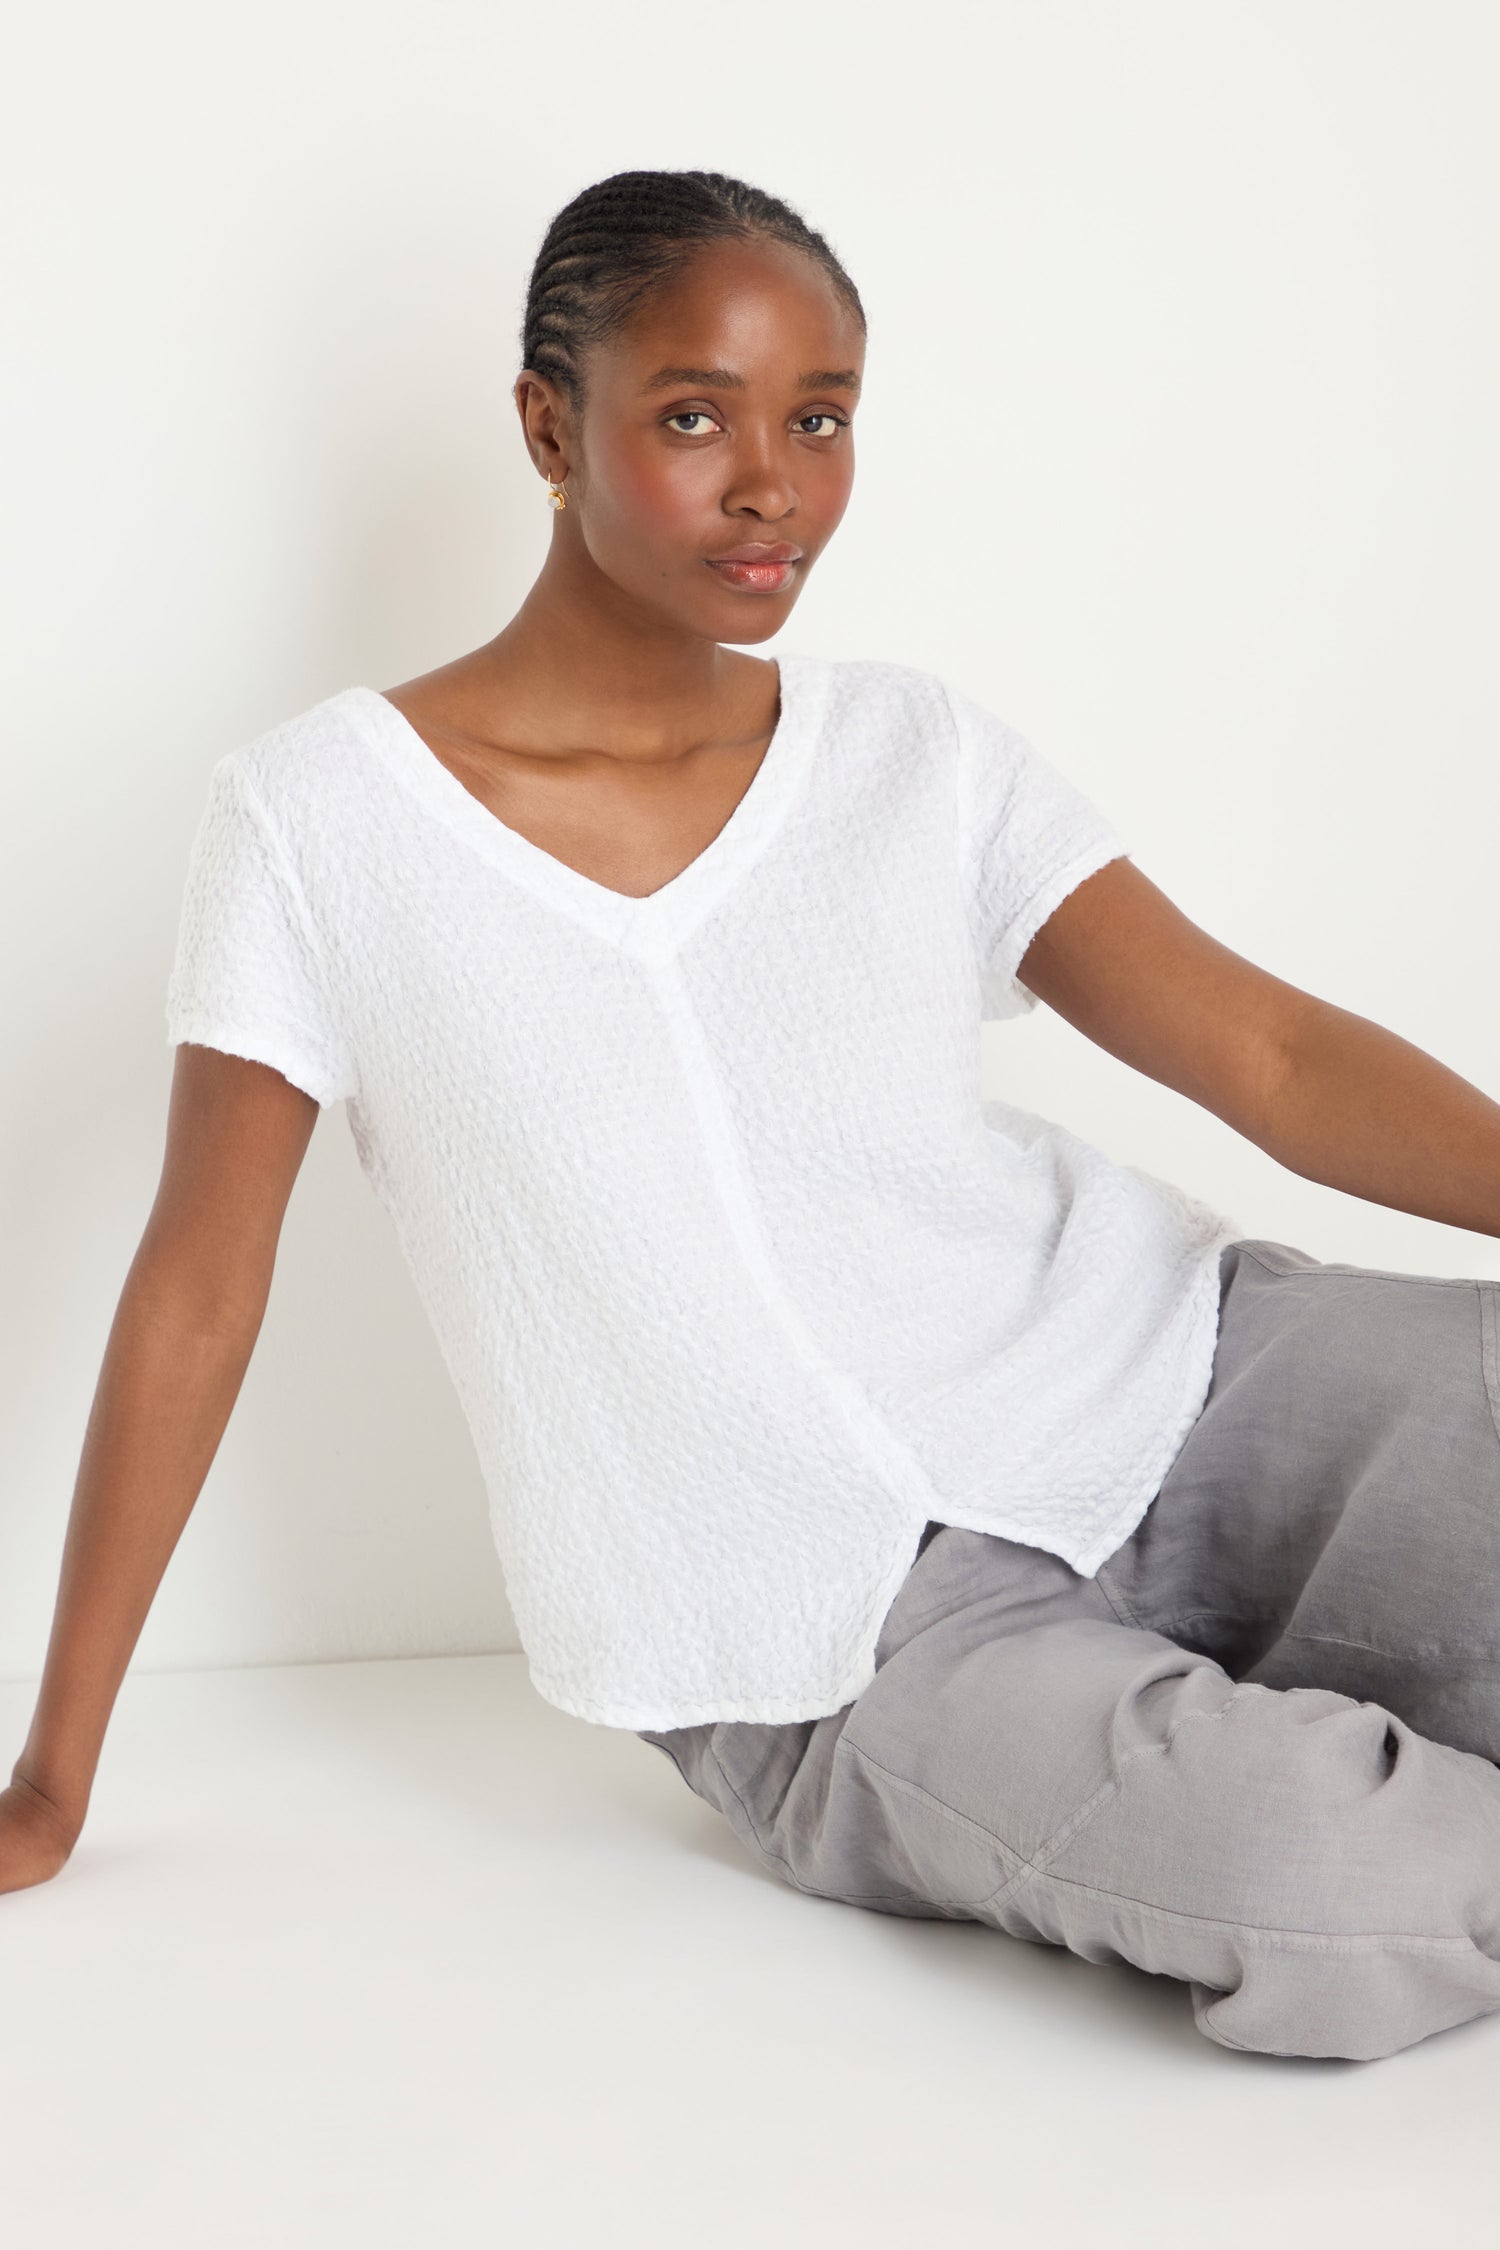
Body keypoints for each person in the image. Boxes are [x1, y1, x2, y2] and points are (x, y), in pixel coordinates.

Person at [5, 168, 1500, 2065]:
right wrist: (55, 1775)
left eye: (822, 416)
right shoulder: (316, 823)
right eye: (696, 414)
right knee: (1319, 1876)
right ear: (552, 428)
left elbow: (1271, 1060)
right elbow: (199, 1289)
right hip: (828, 1631)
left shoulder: (914, 753)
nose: (771, 482)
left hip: (1188, 1383)